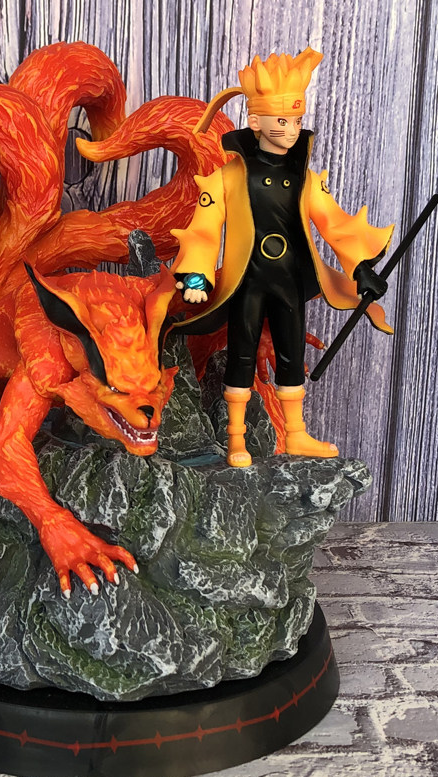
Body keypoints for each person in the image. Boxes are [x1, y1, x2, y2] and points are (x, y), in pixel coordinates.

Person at [171, 47, 393, 467]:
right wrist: (196, 275)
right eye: (281, 122)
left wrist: (361, 268)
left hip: (289, 281)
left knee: (292, 356)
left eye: (296, 121)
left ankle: (296, 434)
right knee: (241, 356)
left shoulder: (304, 178)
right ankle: (236, 439)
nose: (291, 131)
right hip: (248, 283)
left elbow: (334, 223)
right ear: (255, 123)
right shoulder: (228, 177)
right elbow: (204, 228)